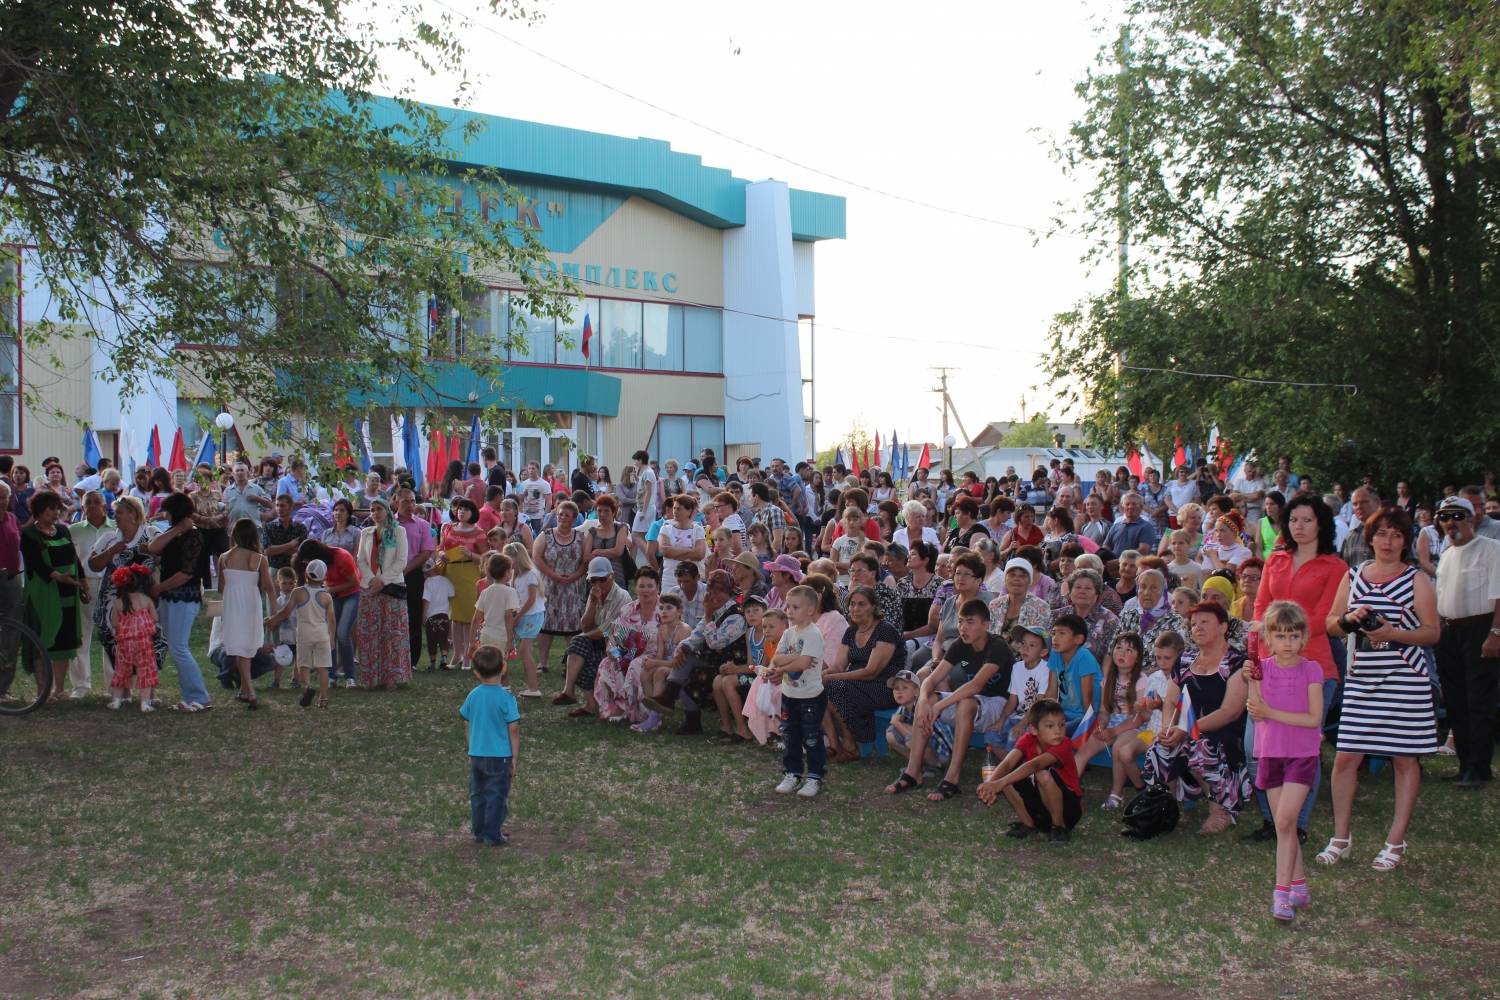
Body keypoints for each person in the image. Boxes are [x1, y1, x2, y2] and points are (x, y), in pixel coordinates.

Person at [1319, 506, 1440, 866]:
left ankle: (1395, 842)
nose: (1388, 541)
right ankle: (1341, 837)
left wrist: (1392, 633)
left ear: (1405, 541)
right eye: (1382, 533)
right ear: (1369, 538)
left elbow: (1432, 633)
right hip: (1361, 679)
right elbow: (1330, 624)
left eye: (1397, 534)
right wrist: (1349, 619)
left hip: (1405, 679)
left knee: (1405, 760)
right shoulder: (1353, 575)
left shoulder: (1417, 579)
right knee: (1345, 758)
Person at [1249, 494, 1344, 835]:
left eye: (1307, 519)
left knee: (1303, 746)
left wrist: (1278, 629)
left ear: (1321, 523)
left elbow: (1324, 618)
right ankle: (1272, 818)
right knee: (1257, 744)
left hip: (1314, 663)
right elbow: (1261, 604)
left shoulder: (1336, 567)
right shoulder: (1275, 560)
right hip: (1267, 661)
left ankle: (1296, 824)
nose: (1299, 526)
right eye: (1293, 520)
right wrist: (1265, 634)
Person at [1245, 600, 1325, 921]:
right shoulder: (1261, 668)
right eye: (1280, 636)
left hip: (1302, 756)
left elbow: (1314, 718)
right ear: (1269, 638)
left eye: (1294, 636)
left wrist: (1270, 713)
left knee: (1285, 821)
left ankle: (1281, 893)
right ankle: (1300, 885)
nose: (1288, 643)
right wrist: (1251, 678)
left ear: (1304, 638)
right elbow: (1255, 708)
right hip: (1271, 754)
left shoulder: (1312, 669)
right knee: (1284, 825)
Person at [1142, 602, 1251, 834]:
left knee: (1201, 747)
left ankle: (1220, 810)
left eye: (1204, 622)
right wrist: (1167, 728)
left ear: (1223, 627)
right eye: (1193, 624)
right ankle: (1164, 808)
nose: (1197, 628)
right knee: (1160, 747)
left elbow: (1230, 712)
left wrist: (1185, 729)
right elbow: (1171, 700)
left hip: (1224, 733)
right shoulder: (1184, 659)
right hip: (1186, 727)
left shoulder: (1237, 663)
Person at [1431, 495, 1500, 789]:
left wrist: (1495, 634)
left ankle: (1480, 768)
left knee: (1478, 701)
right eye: (1445, 517)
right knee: (1457, 701)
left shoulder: (1491, 548)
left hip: (1480, 629)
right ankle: (1465, 766)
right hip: (1449, 632)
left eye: (1458, 516)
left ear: (1472, 518)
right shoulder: (1446, 553)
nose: (1451, 522)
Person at [976, 699, 1083, 842]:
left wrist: (1000, 783)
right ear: (1034, 729)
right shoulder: (1027, 739)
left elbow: (1035, 765)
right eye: (1050, 726)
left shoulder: (1064, 745)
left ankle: (1059, 827)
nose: (1058, 731)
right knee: (1008, 773)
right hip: (1042, 805)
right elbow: (1008, 762)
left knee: (1042, 775)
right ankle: (1029, 824)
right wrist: (990, 784)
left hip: (1068, 810)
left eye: (1062, 725)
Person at [822, 585, 904, 760]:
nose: (855, 609)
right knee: (817, 686)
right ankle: (836, 743)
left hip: (885, 686)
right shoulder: (851, 631)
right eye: (852, 604)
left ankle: (850, 744)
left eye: (861, 604)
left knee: (835, 686)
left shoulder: (884, 630)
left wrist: (830, 677)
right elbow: (838, 666)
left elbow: (871, 672)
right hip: (855, 682)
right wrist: (820, 676)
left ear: (873, 607)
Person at [21, 491, 87, 703]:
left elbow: (74, 557)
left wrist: (82, 579)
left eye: (58, 508)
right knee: (44, 639)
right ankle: (44, 691)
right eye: (51, 508)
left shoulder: (62, 530)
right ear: (39, 510)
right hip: (44, 592)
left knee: (64, 641)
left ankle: (59, 689)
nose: (56, 512)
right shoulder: (29, 534)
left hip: (68, 590)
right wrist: (58, 577)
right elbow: (36, 564)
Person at [769, 584, 828, 798]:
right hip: (789, 694)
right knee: (790, 735)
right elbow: (777, 658)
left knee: (811, 737)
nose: (789, 611)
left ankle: (814, 776)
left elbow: (803, 665)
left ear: (811, 610)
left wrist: (791, 662)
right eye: (788, 606)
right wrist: (797, 658)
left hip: (810, 696)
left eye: (795, 607)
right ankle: (792, 773)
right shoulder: (788, 633)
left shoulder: (813, 634)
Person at [460, 644, 521, 847]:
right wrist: (514, 757)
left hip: (477, 754)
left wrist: (471, 747)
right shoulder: (506, 698)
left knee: (478, 794)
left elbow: (466, 723)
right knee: (496, 795)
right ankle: (492, 834)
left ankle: (479, 830)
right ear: (503, 667)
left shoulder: (473, 696)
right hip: (500, 756)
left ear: (476, 673)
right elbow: (513, 729)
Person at [555, 556, 630, 716]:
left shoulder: (622, 597)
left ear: (612, 577)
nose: (597, 584)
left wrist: (584, 637)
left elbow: (606, 630)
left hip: (618, 648)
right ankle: (581, 699)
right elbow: (586, 625)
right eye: (593, 580)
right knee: (579, 648)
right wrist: (593, 603)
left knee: (579, 644)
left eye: (602, 579)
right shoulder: (594, 594)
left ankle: (579, 698)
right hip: (602, 641)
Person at [264, 558, 338, 709]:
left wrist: (272, 620)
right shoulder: (326, 596)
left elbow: (285, 613)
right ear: (324, 577)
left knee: (303, 665)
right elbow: (332, 620)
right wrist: (332, 639)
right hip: (321, 635)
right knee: (322, 668)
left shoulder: (298, 592)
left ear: (305, 574)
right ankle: (323, 699)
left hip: (304, 634)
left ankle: (307, 687)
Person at [356, 496, 411, 690]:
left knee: (392, 634)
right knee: (371, 633)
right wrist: (372, 579)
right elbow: (361, 559)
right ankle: (372, 677)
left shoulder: (398, 531)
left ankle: (392, 677)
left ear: (387, 511)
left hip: (391, 587)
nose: (375, 513)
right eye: (372, 510)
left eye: (379, 509)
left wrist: (383, 579)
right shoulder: (366, 533)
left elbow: (401, 560)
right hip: (370, 587)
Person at [218, 517, 273, 708]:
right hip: (251, 603)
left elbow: (220, 587)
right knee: (246, 649)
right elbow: (269, 587)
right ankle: (247, 690)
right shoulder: (259, 559)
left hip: (232, 604)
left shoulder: (224, 558)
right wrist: (275, 611)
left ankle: (248, 691)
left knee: (242, 649)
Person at [533, 499, 591, 673]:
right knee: (546, 625)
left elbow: (585, 561)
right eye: (560, 514)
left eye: (567, 515)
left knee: (572, 626)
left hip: (573, 587)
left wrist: (574, 575)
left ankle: (570, 663)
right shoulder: (546, 535)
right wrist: (553, 575)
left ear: (574, 518)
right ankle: (543, 662)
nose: (562, 517)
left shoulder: (582, 537)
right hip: (550, 586)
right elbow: (537, 557)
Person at [65, 490, 113, 697]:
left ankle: (114, 685)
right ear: (83, 507)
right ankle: (81, 685)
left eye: (97, 502)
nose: (93, 506)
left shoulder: (116, 527)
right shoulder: (73, 530)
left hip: (111, 584)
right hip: (84, 584)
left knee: (110, 634)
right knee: (81, 635)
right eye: (89, 503)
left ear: (104, 505)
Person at [437, 497, 486, 673]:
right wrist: (441, 553)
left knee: (468, 617)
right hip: (451, 572)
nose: (461, 512)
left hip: (468, 573)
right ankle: (456, 654)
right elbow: (440, 547)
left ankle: (468, 655)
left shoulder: (478, 532)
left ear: (473, 513)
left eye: (466, 509)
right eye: (459, 509)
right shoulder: (448, 527)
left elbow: (486, 558)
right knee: (455, 617)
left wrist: (470, 555)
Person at [105, 564, 159, 711]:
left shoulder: (117, 603)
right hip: (144, 643)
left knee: (121, 670)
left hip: (125, 643)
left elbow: (115, 623)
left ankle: (116, 701)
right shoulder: (145, 599)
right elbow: (155, 618)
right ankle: (145, 703)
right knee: (145, 670)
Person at [472, 551, 519, 660]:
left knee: (488, 666)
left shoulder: (485, 592)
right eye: (511, 569)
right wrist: (510, 639)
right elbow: (508, 616)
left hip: (485, 635)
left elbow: (476, 618)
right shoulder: (510, 592)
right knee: (500, 667)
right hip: (501, 637)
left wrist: (471, 641)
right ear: (507, 573)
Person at [421, 554, 455, 672]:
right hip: (444, 615)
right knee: (443, 638)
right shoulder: (445, 580)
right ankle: (444, 660)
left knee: (432, 639)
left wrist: (423, 615)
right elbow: (452, 593)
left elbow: (426, 600)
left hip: (431, 616)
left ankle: (432, 663)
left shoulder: (427, 583)